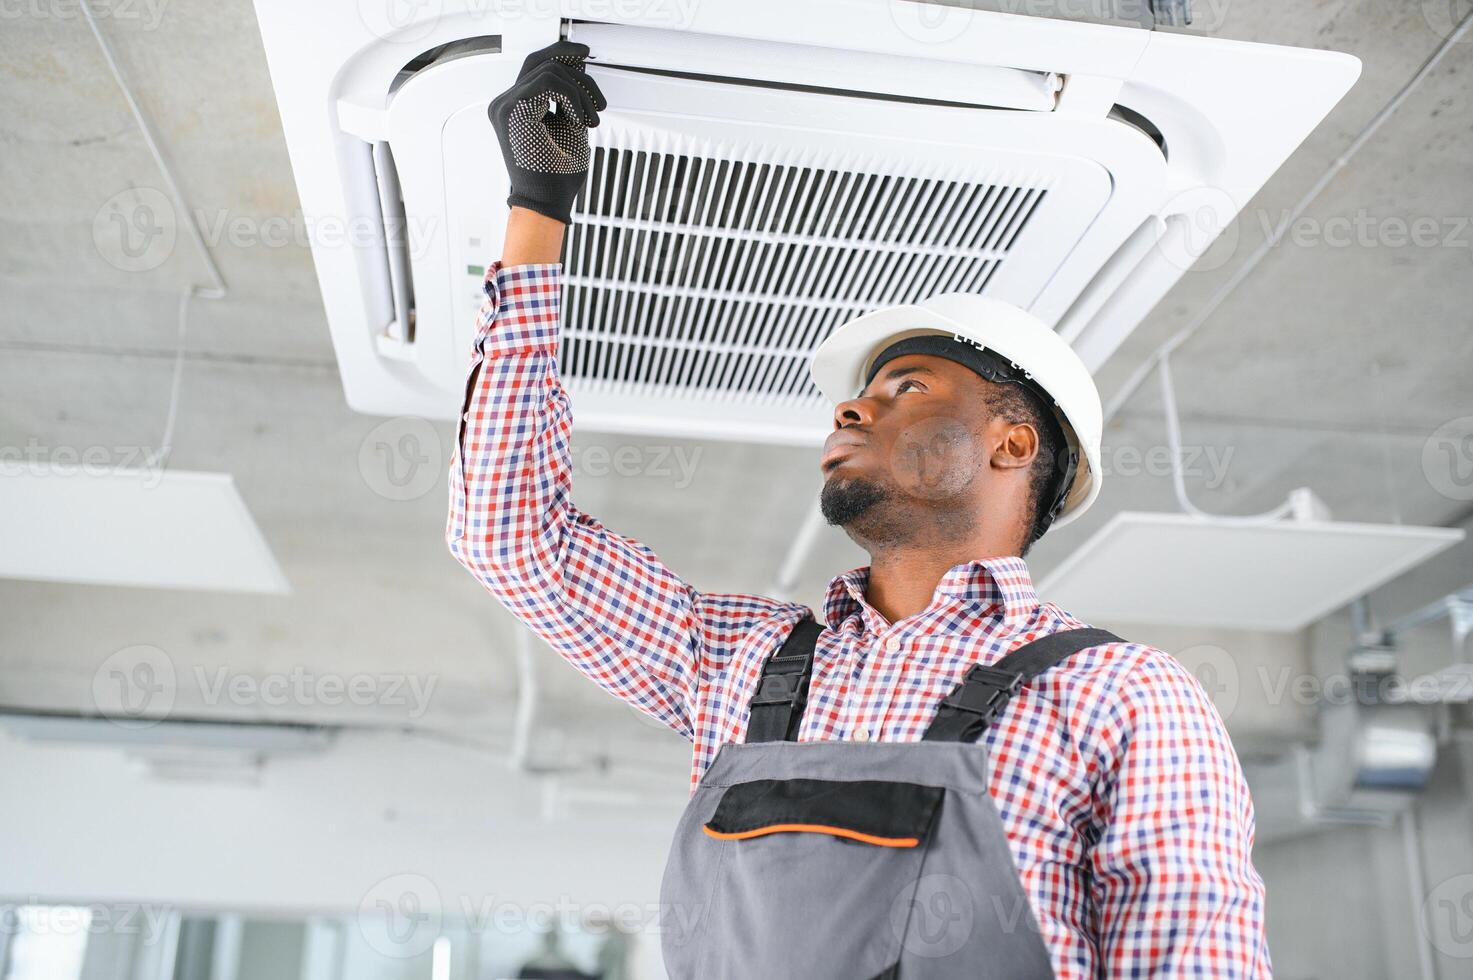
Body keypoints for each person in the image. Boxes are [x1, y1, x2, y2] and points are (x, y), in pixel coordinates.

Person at [449, 41, 1270, 979]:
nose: (850, 406)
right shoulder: (739, 663)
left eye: (908, 386)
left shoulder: (1120, 696)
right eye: (861, 392)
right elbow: (509, 538)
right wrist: (538, 206)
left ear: (1012, 443)